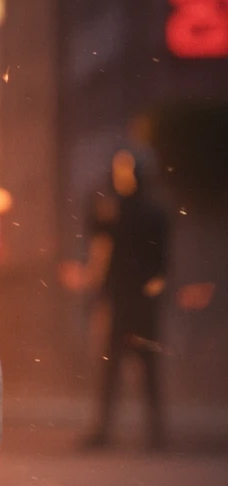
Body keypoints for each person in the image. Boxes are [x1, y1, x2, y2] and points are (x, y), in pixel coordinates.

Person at [72, 147, 170, 450]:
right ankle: (156, 435)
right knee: (146, 370)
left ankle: (104, 432)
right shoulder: (157, 212)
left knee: (111, 370)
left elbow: (92, 226)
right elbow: (163, 262)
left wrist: (97, 192)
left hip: (122, 301)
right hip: (143, 303)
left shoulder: (118, 210)